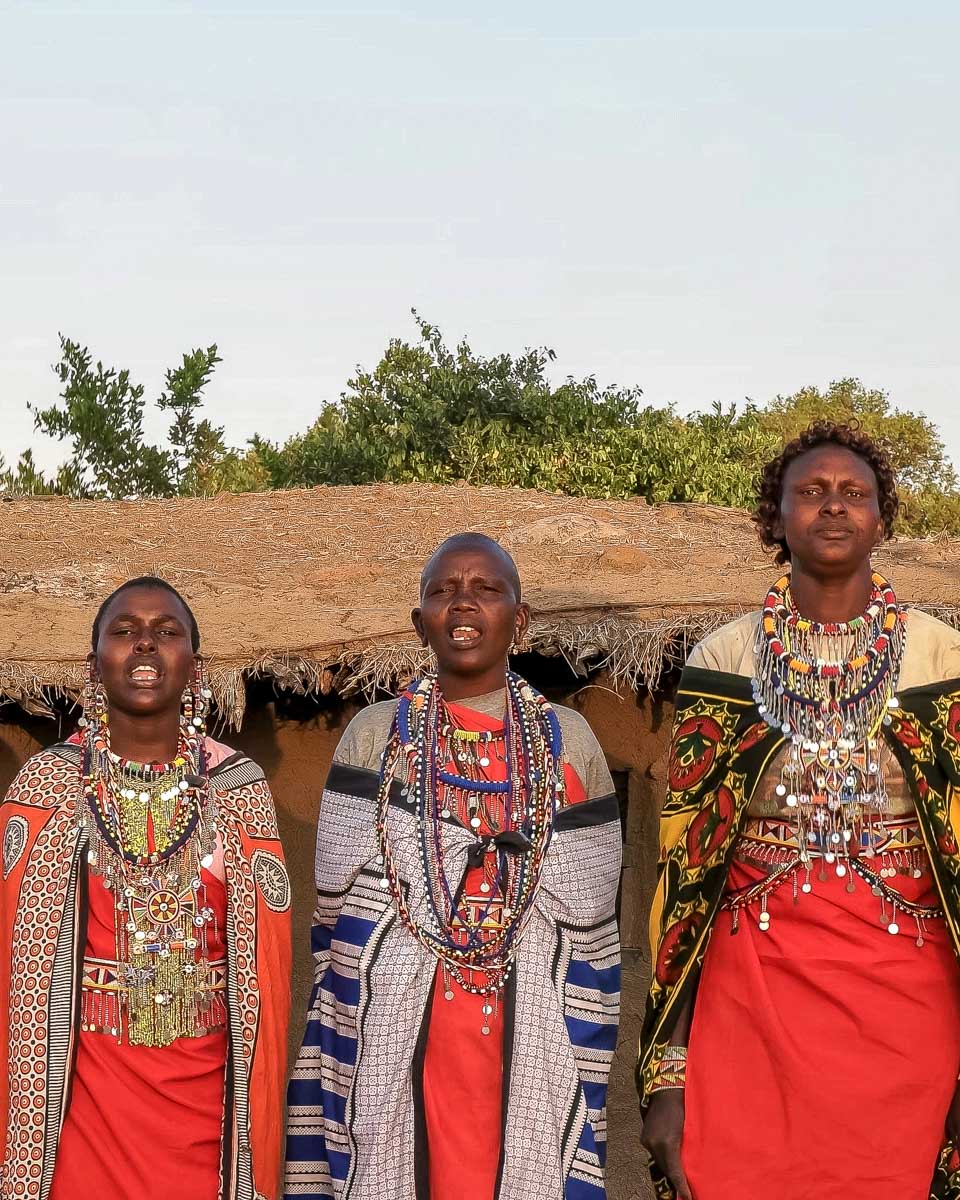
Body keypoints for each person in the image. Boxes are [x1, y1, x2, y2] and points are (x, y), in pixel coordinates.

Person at [639, 422, 960, 1200]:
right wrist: (668, 1074)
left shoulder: (941, 659)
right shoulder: (725, 660)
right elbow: (686, 877)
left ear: (883, 519)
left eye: (854, 494)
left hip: (911, 998)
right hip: (752, 997)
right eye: (811, 492)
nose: (834, 507)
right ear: (775, 517)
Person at [285, 532, 622, 1200]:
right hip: (395, 1032)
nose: (463, 601)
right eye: (443, 590)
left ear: (519, 621)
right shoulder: (375, 735)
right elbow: (340, 915)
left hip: (531, 1038)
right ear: (420, 623)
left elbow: (591, 923)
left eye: (486, 588)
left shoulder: (568, 740)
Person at [0, 576, 291, 1200]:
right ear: (94, 660)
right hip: (83, 1106)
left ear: (194, 662)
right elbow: (14, 967)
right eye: (124, 632)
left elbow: (267, 972)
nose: (144, 647)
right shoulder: (48, 787)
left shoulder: (239, 789)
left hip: (208, 1109)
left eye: (167, 632)